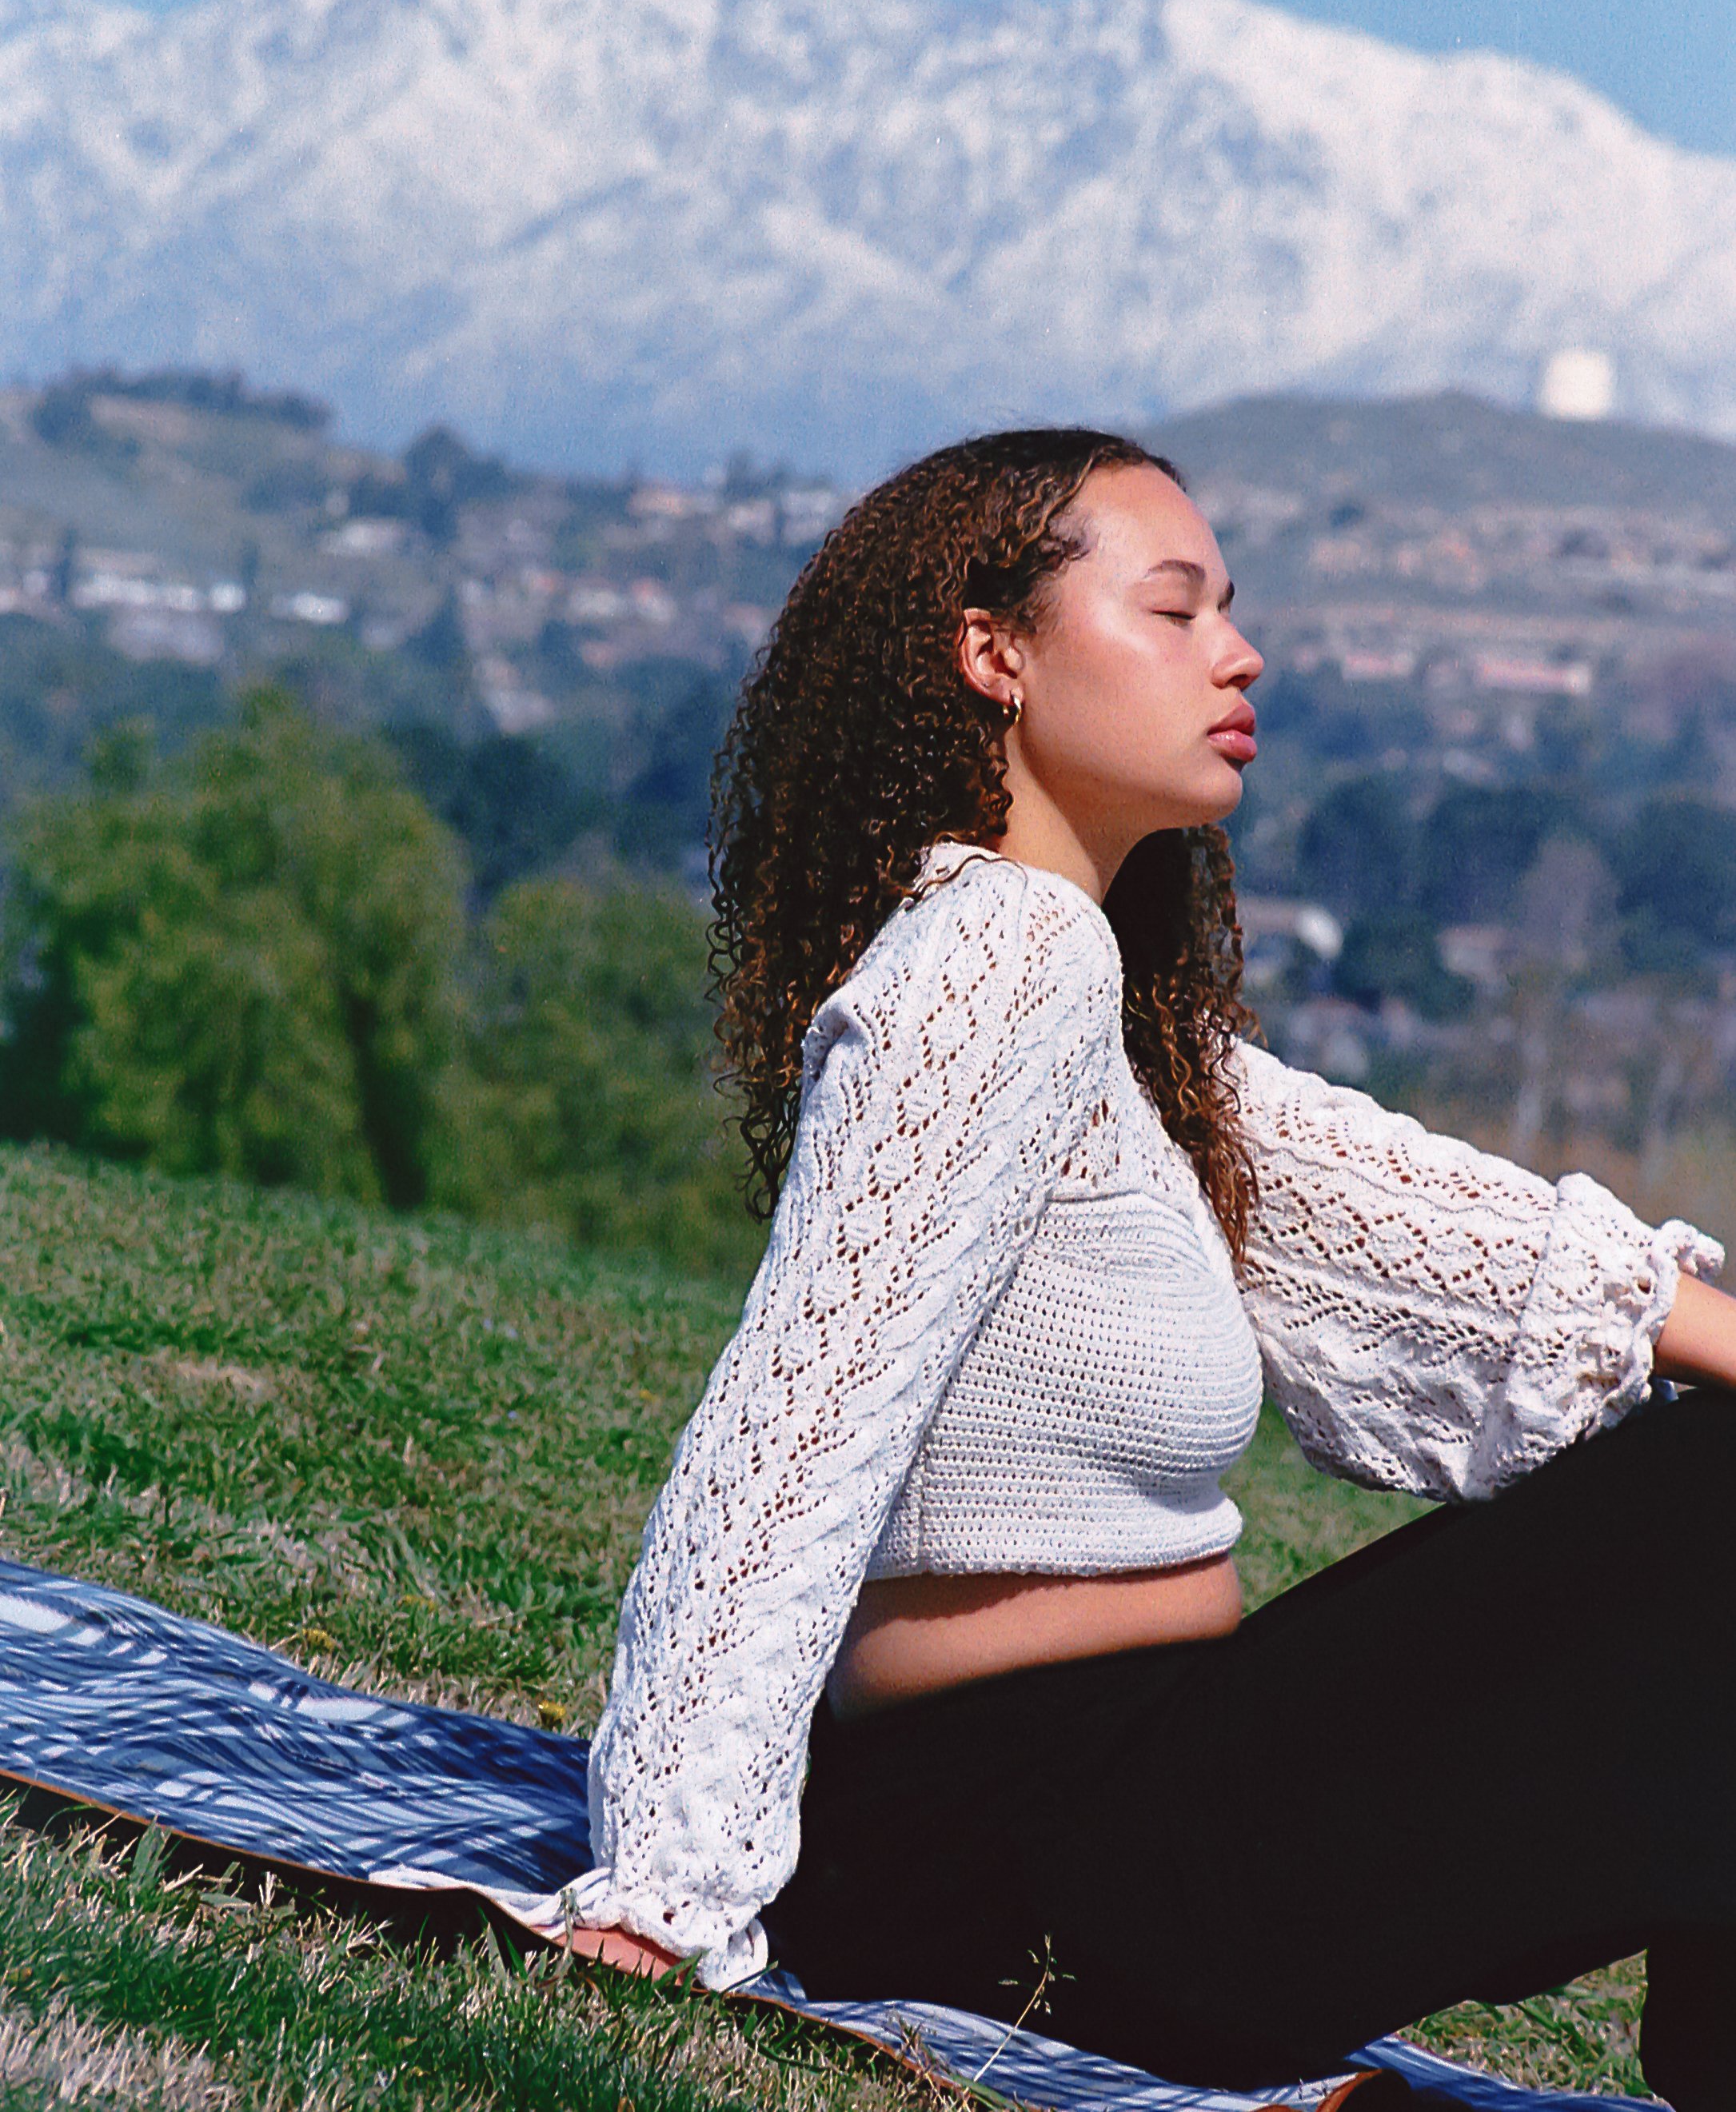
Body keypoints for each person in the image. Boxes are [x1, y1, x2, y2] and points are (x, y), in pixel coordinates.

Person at [555, 429, 1736, 2108]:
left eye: (1228, 615)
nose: (1238, 654)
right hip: (1038, 1861)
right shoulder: (1000, 958)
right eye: (1174, 611)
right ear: (994, 652)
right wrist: (666, 1887)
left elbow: (1451, 1244)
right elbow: (796, 1427)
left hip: (1124, 1826)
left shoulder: (1106, 1016)